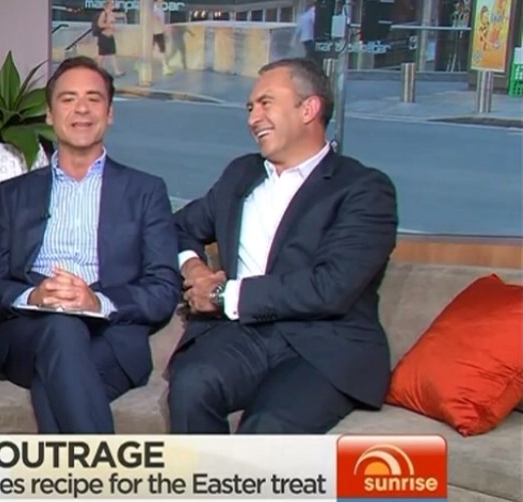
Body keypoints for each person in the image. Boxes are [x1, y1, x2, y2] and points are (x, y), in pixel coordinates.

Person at [168, 57, 398, 435]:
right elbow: (177, 228)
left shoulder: (364, 189)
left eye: (265, 103)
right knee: (191, 386)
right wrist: (194, 268)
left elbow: (331, 287)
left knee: (267, 427)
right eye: (249, 107)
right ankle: (203, 477)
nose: (253, 118)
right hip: (241, 335)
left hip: (321, 347)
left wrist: (224, 295)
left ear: (309, 109)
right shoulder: (240, 175)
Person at [0, 56, 180, 434]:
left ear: (110, 113)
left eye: (94, 98)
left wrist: (96, 301)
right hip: (30, 332)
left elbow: (163, 290)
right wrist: (35, 296)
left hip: (111, 338)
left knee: (55, 378)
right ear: (50, 114)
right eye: (68, 99)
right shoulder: (14, 193)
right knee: (61, 330)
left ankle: (76, 474)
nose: (82, 109)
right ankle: (101, 470)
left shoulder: (146, 191)